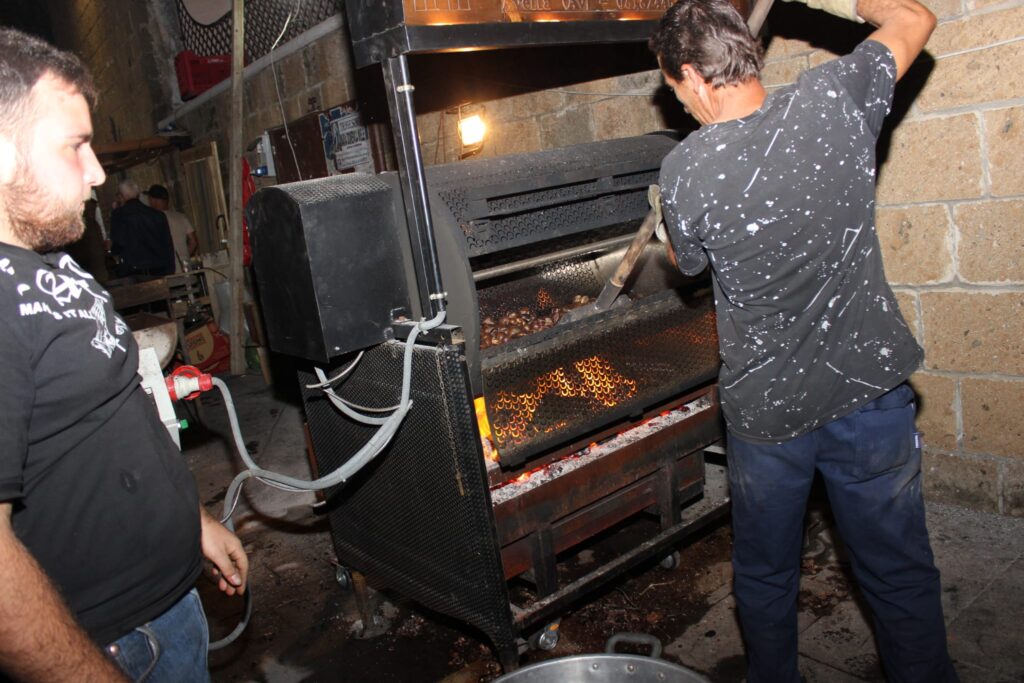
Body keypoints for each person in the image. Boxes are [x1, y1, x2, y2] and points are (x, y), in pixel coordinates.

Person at [650, 1, 957, 681]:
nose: (681, 104)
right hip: (870, 395)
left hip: (768, 419)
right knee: (900, 579)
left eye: (675, 90)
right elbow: (914, 19)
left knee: (765, 578)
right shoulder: (833, 97)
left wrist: (671, 223)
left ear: (696, 77)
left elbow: (688, 265)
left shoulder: (687, 171)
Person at [0, 28, 248, 682]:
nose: (98, 172)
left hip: (166, 606)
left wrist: (190, 523)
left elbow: (107, 422)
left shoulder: (49, 264)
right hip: (110, 646)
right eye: (76, 146)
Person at [110, 178, 176, 278]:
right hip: (159, 270)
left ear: (122, 196)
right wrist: (170, 269)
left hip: (134, 273)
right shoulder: (158, 215)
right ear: (138, 194)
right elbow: (167, 244)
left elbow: (119, 243)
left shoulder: (118, 215)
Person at [147, 183, 198, 272]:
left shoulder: (152, 221)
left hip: (167, 271)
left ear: (153, 200)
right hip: (185, 268)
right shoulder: (181, 217)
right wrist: (185, 256)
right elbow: (193, 242)